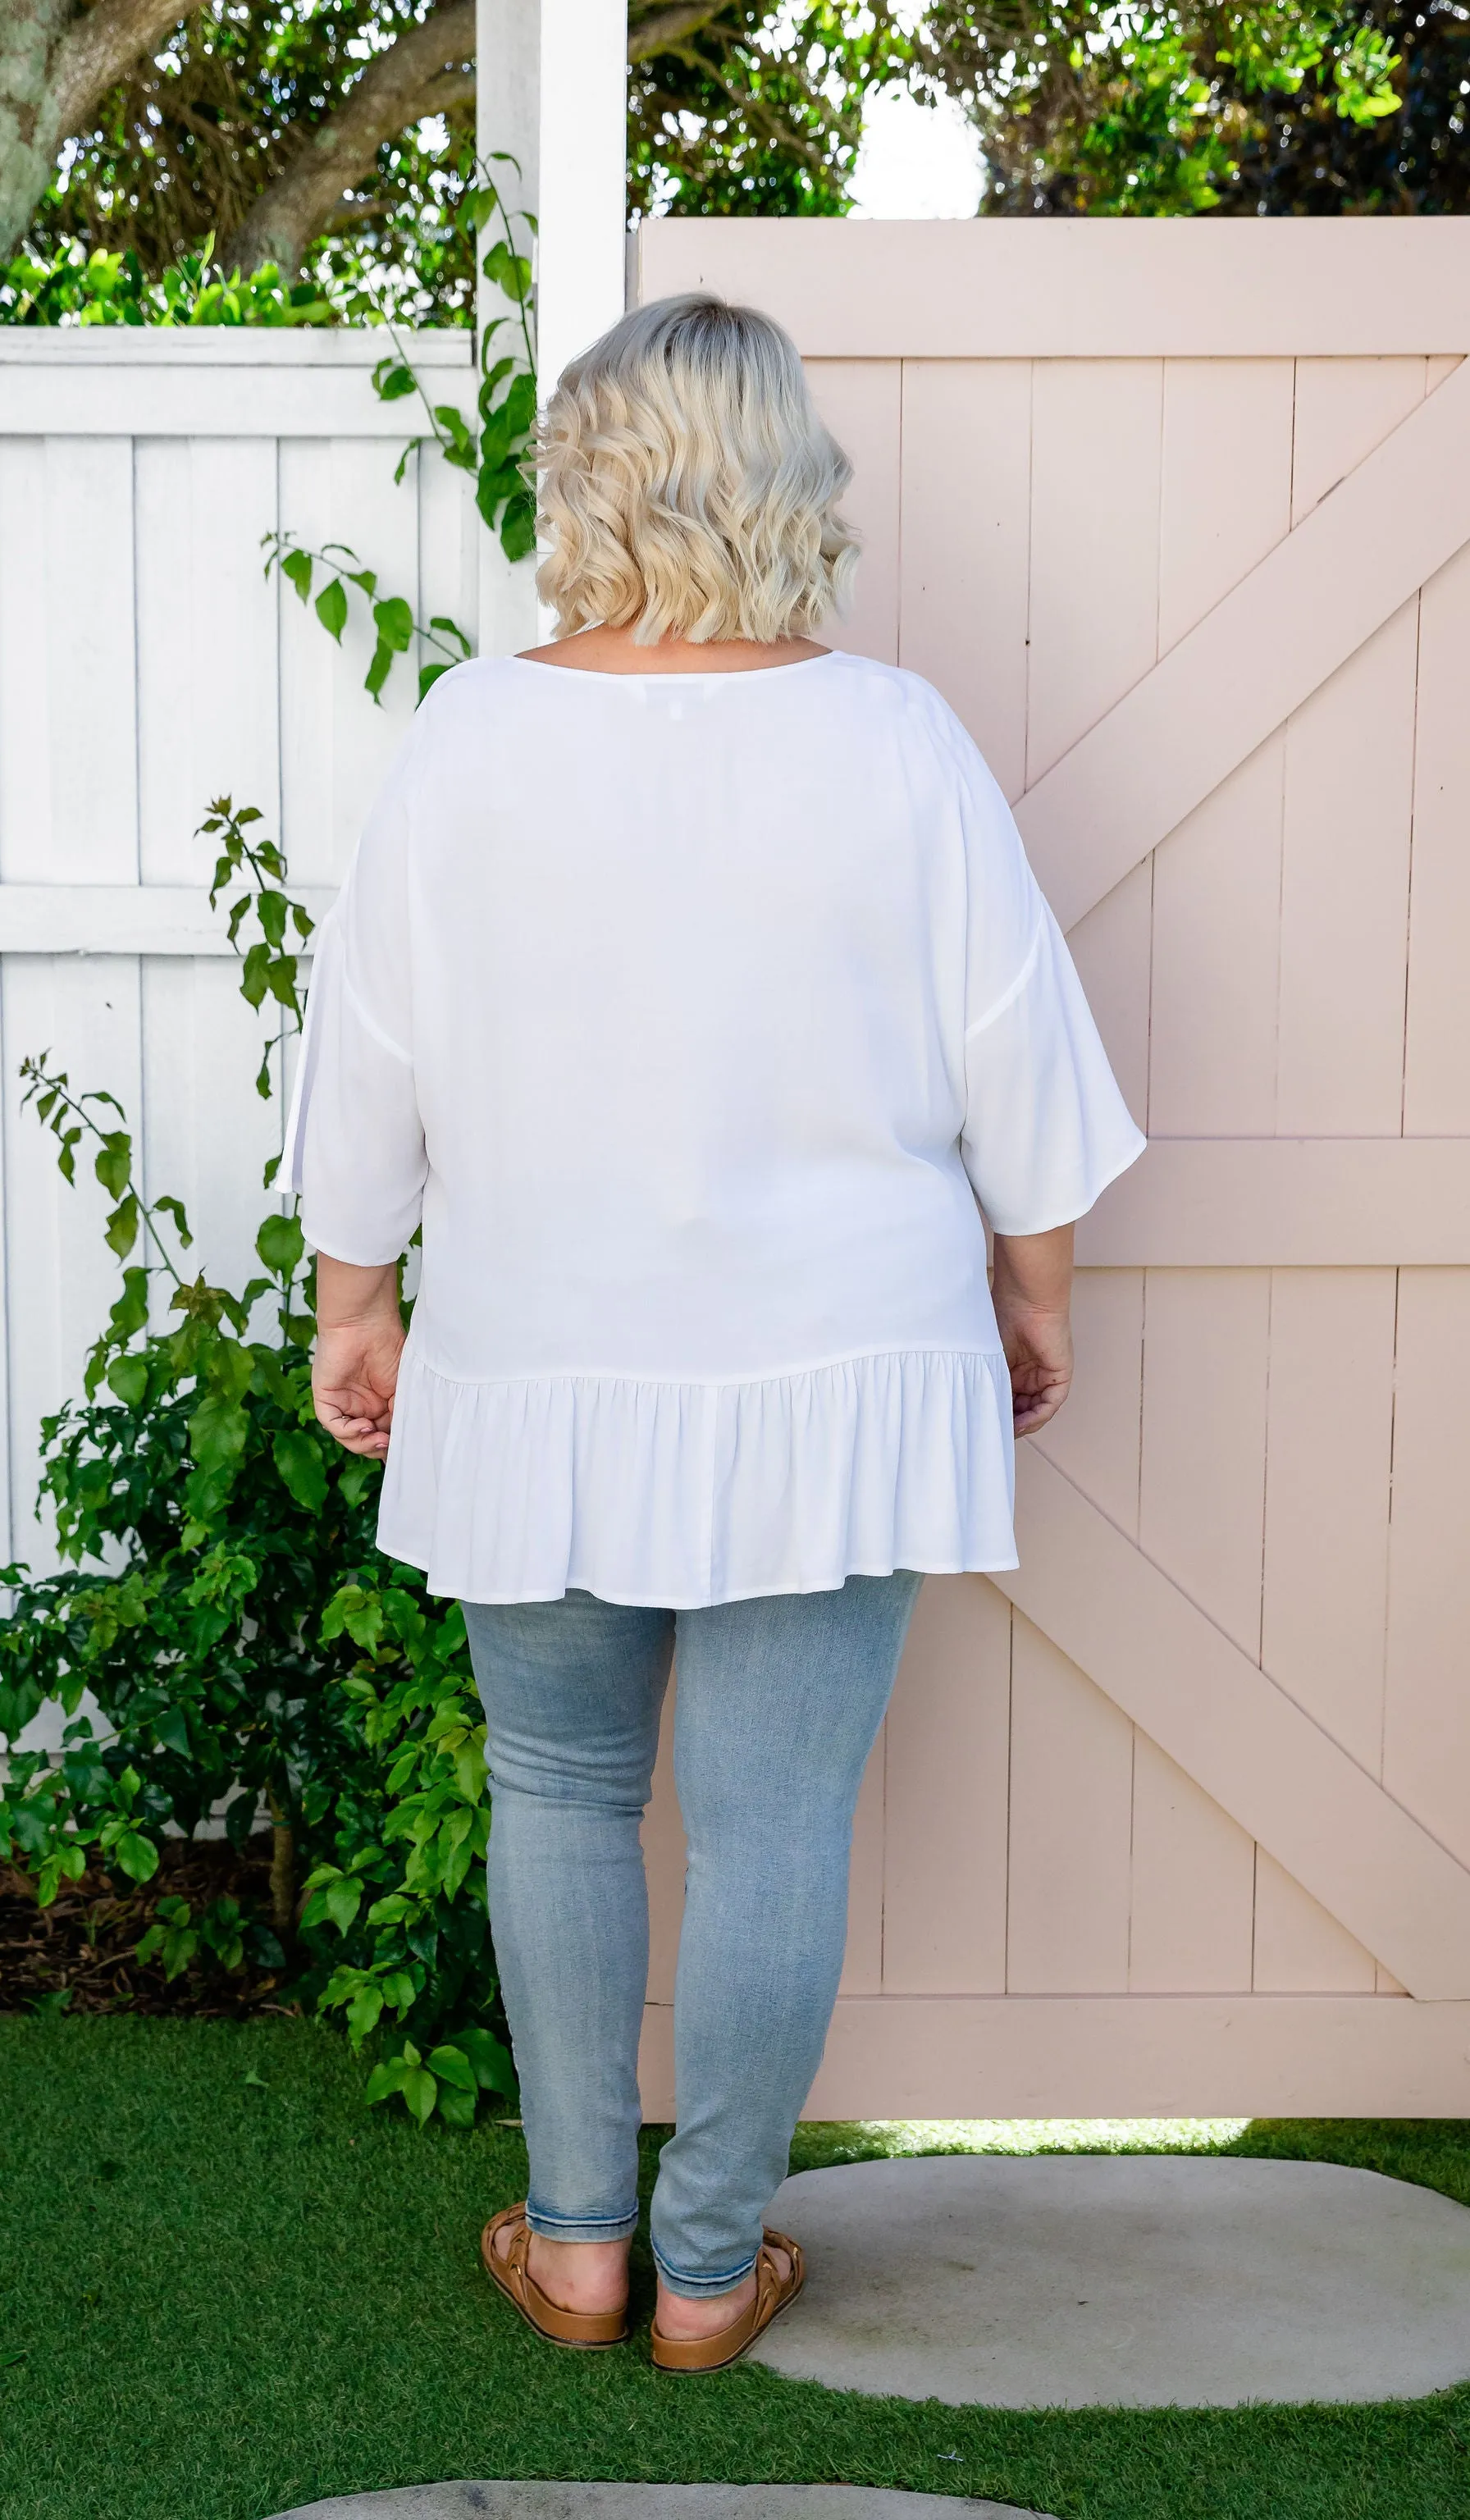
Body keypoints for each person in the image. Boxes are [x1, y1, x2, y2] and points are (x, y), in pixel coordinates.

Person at [283, 293, 1144, 2373]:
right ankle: (703, 2273)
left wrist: (357, 1299)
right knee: (775, 1827)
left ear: (580, 480)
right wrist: (1031, 1310)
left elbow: (368, 1054)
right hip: (845, 1373)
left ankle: (575, 2247)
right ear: (790, 485)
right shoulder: (900, 740)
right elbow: (1016, 1067)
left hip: (546, 1357)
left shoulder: (472, 738)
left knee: (561, 1794)